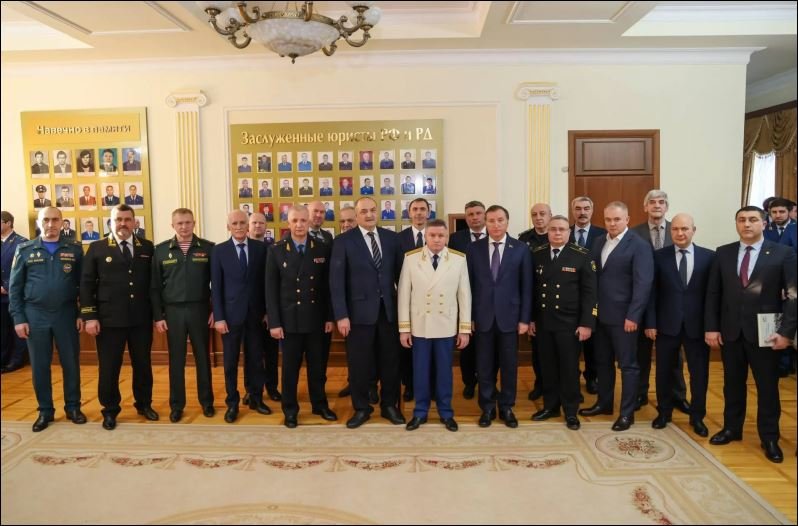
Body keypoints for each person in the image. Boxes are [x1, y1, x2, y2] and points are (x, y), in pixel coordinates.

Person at [705, 206, 796, 464]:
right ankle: (731, 429)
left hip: (767, 334)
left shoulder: (783, 253)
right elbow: (714, 293)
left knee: (767, 388)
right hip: (731, 332)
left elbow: (793, 295)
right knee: (732, 385)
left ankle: (769, 437)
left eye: (753, 220)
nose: (747, 224)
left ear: (764, 224)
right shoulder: (723, 252)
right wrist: (711, 327)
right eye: (742, 220)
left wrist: (786, 332)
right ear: (736, 224)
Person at [80, 204, 158, 430]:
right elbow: (86, 284)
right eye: (118, 220)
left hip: (140, 319)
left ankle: (144, 404)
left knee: (143, 365)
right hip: (109, 320)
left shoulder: (147, 247)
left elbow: (153, 284)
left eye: (127, 219)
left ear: (135, 222)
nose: (123, 224)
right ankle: (110, 410)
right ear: (111, 223)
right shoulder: (97, 247)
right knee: (109, 367)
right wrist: (90, 316)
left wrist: (157, 315)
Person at [330, 196, 405, 428]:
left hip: (388, 313)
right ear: (356, 215)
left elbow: (402, 278)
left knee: (390, 363)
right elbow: (336, 282)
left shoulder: (392, 239)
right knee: (360, 365)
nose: (369, 214)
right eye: (364, 211)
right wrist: (341, 315)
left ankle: (390, 406)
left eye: (373, 210)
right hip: (357, 315)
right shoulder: (343, 241)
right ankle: (362, 408)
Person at [579, 201, 654, 432]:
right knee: (602, 363)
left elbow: (643, 284)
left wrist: (634, 316)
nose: (612, 223)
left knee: (628, 366)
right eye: (608, 219)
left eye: (617, 219)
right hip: (600, 317)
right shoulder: (598, 241)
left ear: (627, 219)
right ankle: (604, 403)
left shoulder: (639, 245)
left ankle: (627, 413)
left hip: (625, 320)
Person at [9, 207, 85, 431]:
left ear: (62, 222)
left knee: (71, 363)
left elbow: (85, 285)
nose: (50, 224)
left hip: (66, 314)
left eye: (55, 220)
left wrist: (82, 313)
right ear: (39, 223)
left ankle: (73, 407)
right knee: (40, 366)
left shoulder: (75, 249)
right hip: (35, 315)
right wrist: (19, 318)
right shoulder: (24, 250)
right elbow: (15, 288)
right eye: (46, 220)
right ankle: (45, 410)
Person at [644, 213, 714, 437]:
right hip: (666, 326)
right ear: (670, 231)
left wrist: (712, 327)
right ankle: (664, 413)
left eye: (684, 229)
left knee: (699, 374)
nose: (680, 233)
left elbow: (713, 296)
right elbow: (652, 293)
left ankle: (697, 417)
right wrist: (650, 322)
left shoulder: (709, 257)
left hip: (698, 328)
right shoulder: (659, 256)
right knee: (663, 372)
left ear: (694, 230)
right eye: (675, 229)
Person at [266, 205, 336, 427]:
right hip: (289, 322)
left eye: (303, 221)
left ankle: (320, 405)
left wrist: (329, 317)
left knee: (317, 367)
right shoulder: (276, 250)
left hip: (316, 319)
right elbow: (270, 290)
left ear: (309, 222)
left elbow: (327, 287)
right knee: (290, 369)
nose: (299, 225)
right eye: (295, 220)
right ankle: (290, 409)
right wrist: (274, 322)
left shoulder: (321, 248)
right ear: (288, 223)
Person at [399, 219, 470, 432]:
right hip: (420, 325)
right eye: (432, 235)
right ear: (426, 237)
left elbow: (464, 296)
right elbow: (403, 295)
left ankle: (446, 412)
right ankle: (420, 412)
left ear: (447, 237)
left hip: (445, 325)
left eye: (441, 235)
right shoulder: (411, 258)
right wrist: (404, 328)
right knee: (420, 371)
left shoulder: (458, 259)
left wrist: (464, 329)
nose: (437, 239)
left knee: (444, 372)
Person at [467, 205, 532, 428]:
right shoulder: (473, 249)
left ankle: (506, 407)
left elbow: (527, 287)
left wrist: (524, 319)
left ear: (507, 222)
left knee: (509, 366)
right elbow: (468, 287)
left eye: (500, 220)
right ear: (485, 223)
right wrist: (469, 318)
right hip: (482, 317)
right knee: (484, 366)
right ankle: (487, 407)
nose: (496, 225)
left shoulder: (521, 248)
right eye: (491, 220)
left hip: (510, 319)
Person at [530, 215, 597, 431]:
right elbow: (532, 290)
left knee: (569, 369)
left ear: (569, 232)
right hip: (544, 322)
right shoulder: (538, 254)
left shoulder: (581, 255)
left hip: (570, 323)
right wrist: (531, 319)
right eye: (553, 229)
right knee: (547, 367)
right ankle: (551, 406)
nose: (557, 233)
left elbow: (590, 293)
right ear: (547, 232)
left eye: (561, 229)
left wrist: (587, 323)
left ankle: (570, 410)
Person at [152, 208, 216, 423]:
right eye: (179, 223)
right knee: (176, 360)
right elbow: (154, 287)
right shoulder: (161, 251)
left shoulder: (208, 248)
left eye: (188, 222)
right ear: (173, 225)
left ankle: (207, 402)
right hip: (173, 312)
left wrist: (215, 310)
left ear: (194, 223)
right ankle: (176, 405)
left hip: (200, 310)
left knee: (203, 358)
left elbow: (217, 283)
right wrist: (158, 316)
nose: (184, 226)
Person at [631, 190, 689, 413]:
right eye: (652, 202)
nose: (657, 205)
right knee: (641, 353)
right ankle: (640, 394)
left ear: (666, 207)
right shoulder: (634, 233)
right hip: (641, 302)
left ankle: (678, 395)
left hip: (669, 304)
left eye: (661, 202)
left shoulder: (678, 229)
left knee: (674, 355)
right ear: (645, 207)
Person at [211, 210, 272, 423]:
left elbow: (267, 283)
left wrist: (268, 312)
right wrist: (219, 317)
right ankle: (232, 403)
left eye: (242, 223)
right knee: (230, 362)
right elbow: (216, 287)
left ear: (248, 225)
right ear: (228, 227)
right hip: (230, 318)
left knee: (256, 360)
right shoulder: (219, 251)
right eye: (234, 223)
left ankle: (256, 398)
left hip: (256, 316)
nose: (238, 227)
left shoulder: (261, 249)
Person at [447, 200, 487, 398]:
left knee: (488, 347)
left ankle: (488, 382)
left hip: (488, 300)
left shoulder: (495, 235)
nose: (475, 217)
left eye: (478, 213)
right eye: (470, 214)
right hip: (463, 300)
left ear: (484, 215)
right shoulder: (456, 239)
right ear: (466, 217)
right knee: (467, 347)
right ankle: (469, 382)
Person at [567, 196, 606, 395]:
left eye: (586, 208)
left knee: (593, 343)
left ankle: (592, 377)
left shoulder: (603, 235)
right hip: (569, 297)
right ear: (572, 210)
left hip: (594, 295)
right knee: (570, 344)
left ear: (592, 210)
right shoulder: (564, 232)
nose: (582, 212)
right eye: (578, 208)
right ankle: (571, 378)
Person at [518, 203, 551, 401]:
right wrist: (528, 315)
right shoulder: (524, 240)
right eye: (534, 214)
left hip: (559, 302)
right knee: (538, 351)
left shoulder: (560, 234)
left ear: (550, 216)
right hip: (536, 302)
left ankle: (564, 386)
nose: (538, 217)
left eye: (542, 214)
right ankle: (540, 384)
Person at [1, 211, 28, 374]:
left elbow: (24, 270)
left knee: (17, 328)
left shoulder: (22, 243)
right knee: (2, 330)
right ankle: (3, 359)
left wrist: (6, 286)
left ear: (8, 223)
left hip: (14, 293)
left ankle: (16, 360)